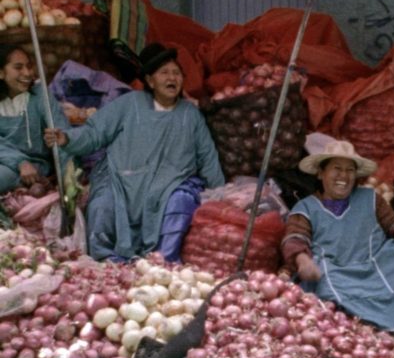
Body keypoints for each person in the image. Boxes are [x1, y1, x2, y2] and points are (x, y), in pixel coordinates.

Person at [44, 43, 225, 262]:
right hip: (121, 178)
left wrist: (222, 197)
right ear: (150, 81)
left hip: (170, 183)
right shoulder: (129, 103)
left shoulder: (191, 114)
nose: (172, 78)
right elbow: (94, 132)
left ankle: (162, 262)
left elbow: (208, 157)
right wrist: (67, 138)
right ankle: (108, 261)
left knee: (181, 202)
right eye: (164, 73)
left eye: (176, 73)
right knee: (102, 205)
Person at [281, 140, 394, 347]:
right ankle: (370, 331)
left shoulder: (370, 198)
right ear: (321, 173)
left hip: (377, 265)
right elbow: (295, 238)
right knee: (324, 288)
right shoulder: (305, 207)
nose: (344, 176)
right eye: (336, 169)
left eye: (350, 170)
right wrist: (303, 260)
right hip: (337, 272)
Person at [0, 44, 70, 194]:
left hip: (34, 167)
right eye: (18, 67)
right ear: (1, 73)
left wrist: (68, 180)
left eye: (29, 66)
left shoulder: (41, 96)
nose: (27, 73)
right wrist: (20, 162)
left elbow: (62, 135)